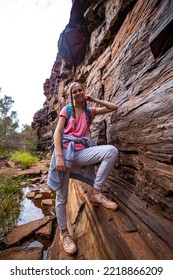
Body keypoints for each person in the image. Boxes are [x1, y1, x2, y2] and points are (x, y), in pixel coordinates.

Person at [48, 81, 119, 255]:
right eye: (75, 92)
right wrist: (59, 157)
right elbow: (57, 133)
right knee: (62, 196)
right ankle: (64, 233)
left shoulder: (89, 112)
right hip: (65, 154)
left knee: (111, 151)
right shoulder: (67, 110)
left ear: (84, 92)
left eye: (80, 90)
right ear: (71, 96)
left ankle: (96, 193)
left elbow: (113, 107)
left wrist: (93, 99)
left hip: (80, 154)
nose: (78, 93)